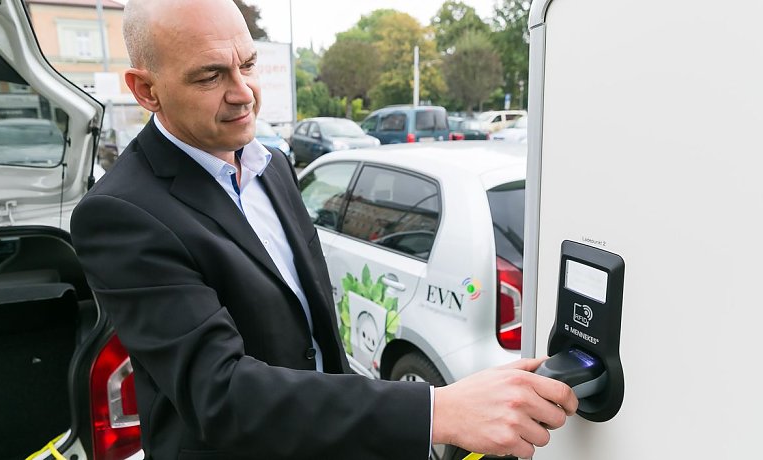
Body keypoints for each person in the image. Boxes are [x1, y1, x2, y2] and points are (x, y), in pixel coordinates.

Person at [69, 0, 578, 459]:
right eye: (210, 76)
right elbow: (220, 394)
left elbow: (312, 335)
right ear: (146, 90)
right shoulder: (120, 214)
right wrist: (437, 410)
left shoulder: (271, 165)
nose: (244, 94)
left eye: (248, 65)